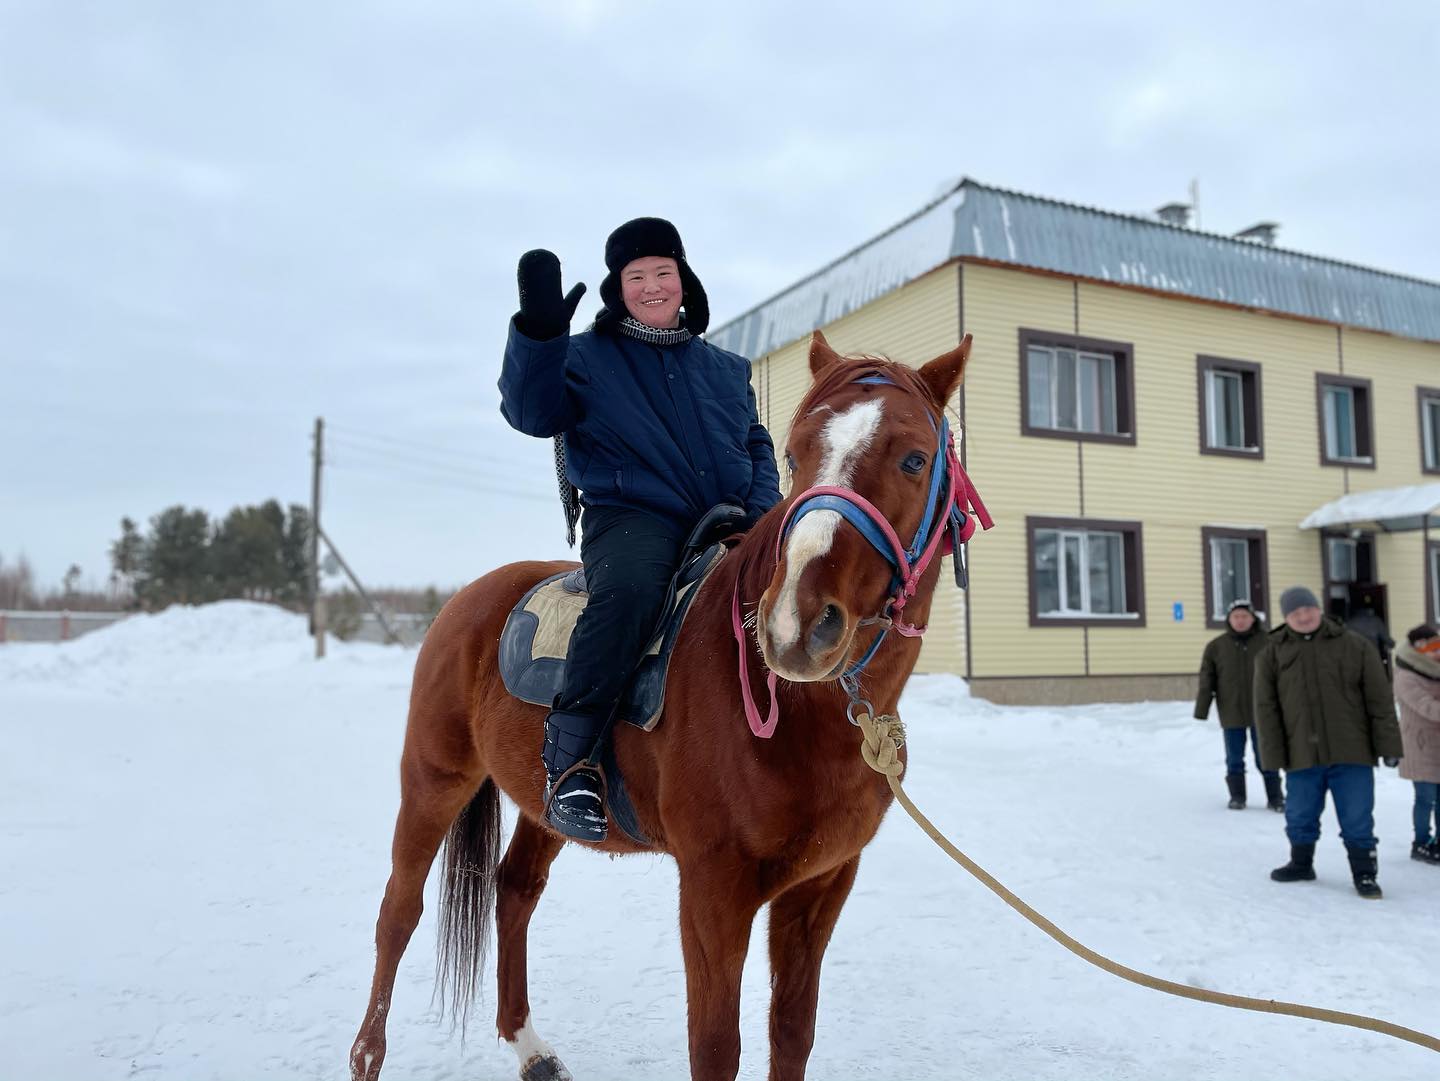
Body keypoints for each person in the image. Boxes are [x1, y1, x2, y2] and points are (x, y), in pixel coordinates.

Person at [498, 217, 784, 842]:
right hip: (633, 520)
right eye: (636, 277)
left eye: (663, 272)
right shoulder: (583, 357)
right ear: (617, 287)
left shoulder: (726, 368)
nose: (652, 286)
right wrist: (540, 336)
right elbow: (530, 412)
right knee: (630, 593)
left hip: (731, 523)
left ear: (683, 279)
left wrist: (764, 520)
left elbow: (756, 447)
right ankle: (571, 763)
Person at [1255, 585, 1403, 898]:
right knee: (1300, 813)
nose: (1303, 616)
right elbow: (1266, 710)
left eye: (1307, 609)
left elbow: (1379, 699)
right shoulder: (1272, 652)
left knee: (1358, 816)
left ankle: (1364, 874)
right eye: (1295, 612)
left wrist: (1389, 746)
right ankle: (1301, 863)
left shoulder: (1354, 645)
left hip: (1352, 750)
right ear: (1286, 617)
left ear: (1318, 609)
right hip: (1301, 752)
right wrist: (1272, 756)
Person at [1194, 599, 1281, 811]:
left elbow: (1283, 676)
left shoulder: (1270, 643)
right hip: (1231, 710)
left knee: (1266, 756)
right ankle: (1237, 796)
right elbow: (1207, 679)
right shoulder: (1216, 647)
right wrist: (1202, 709)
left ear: (1253, 619)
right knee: (1234, 758)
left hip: (1263, 711)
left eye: (1245, 617)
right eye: (1236, 617)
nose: (1240, 621)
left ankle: (1276, 797)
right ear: (1229, 620)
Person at [1393, 623, 1440, 864]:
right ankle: (1420, 842)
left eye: (1437, 645)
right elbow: (1427, 708)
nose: (1435, 651)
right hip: (1420, 745)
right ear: (1416, 648)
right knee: (1425, 798)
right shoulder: (1406, 676)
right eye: (1430, 646)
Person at [1345, 590, 1396, 681]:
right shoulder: (1376, 621)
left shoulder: (1348, 623)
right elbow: (1389, 642)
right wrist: (1388, 646)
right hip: (1372, 660)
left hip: (1353, 661)